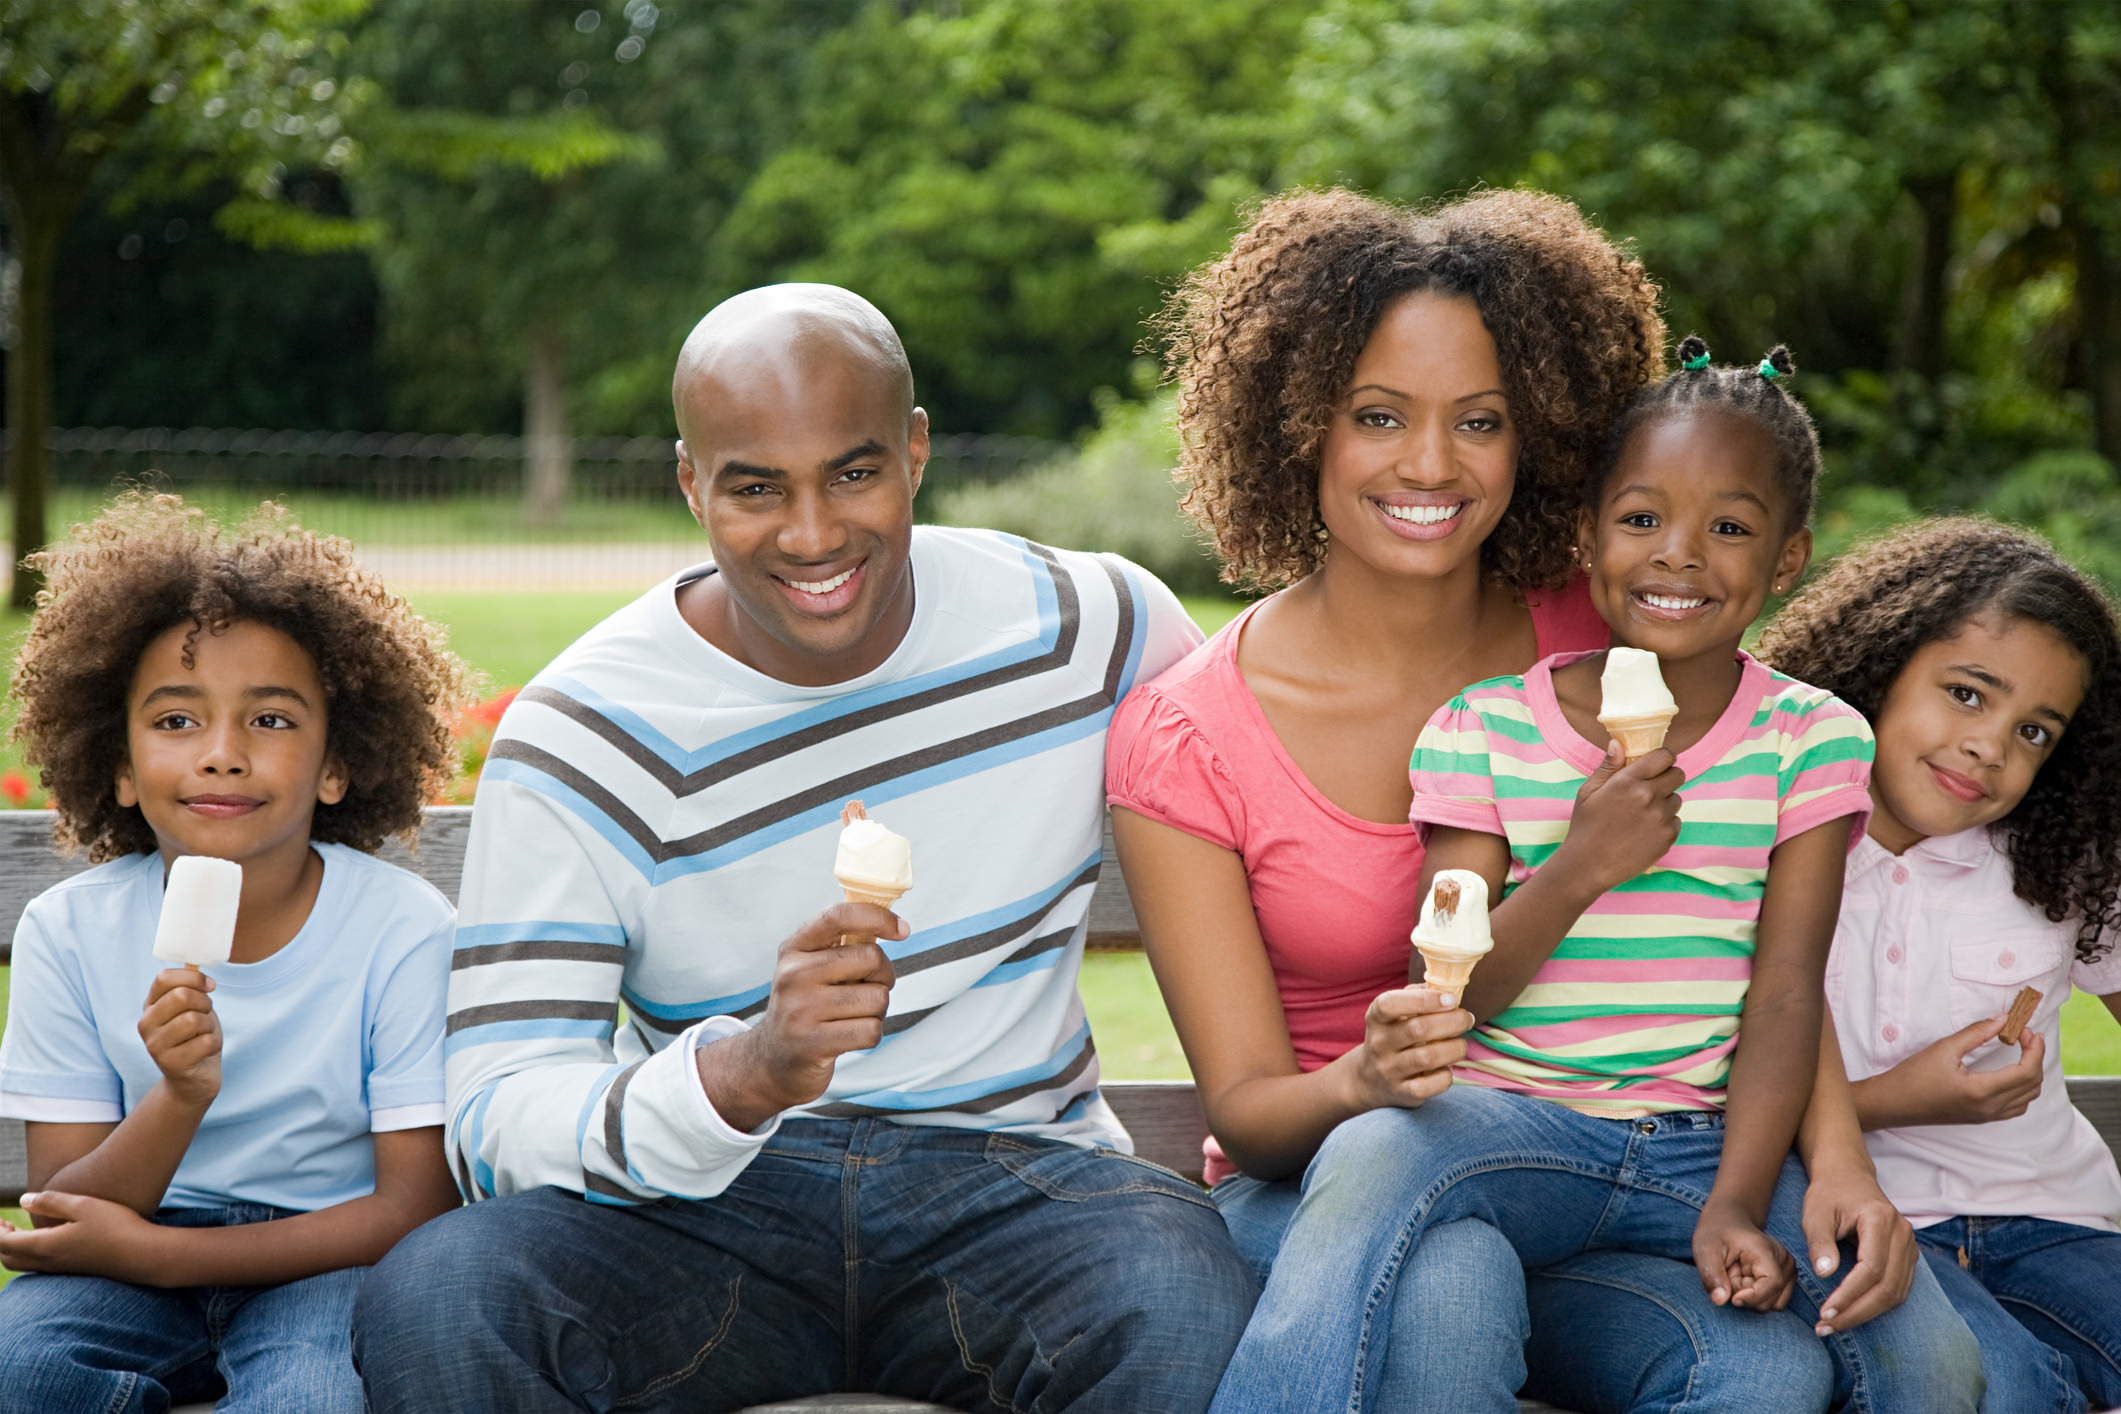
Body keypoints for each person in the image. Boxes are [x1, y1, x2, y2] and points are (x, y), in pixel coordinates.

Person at [351, 283, 1256, 1414]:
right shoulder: (586, 731)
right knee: (443, 1299)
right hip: (707, 1204)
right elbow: (495, 1114)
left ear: (915, 450)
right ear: (690, 482)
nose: (815, 533)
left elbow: (1275, 782)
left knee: (1180, 1298)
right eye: (755, 488)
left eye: (855, 471)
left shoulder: (1092, 629)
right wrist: (743, 1073)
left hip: (1023, 1190)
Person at [1110, 191, 1893, 1414]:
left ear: (1541, 441)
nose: (1430, 464)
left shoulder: (1610, 638)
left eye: (1480, 421)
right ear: (1297, 426)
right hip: (1333, 1180)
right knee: (1455, 1279)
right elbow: (1254, 1119)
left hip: (1598, 1181)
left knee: (1764, 1369)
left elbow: (1756, 914)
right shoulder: (1188, 737)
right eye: (1379, 416)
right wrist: (1365, 1080)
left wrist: (1833, 1150)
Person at [0, 495, 470, 1414]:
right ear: (122, 768)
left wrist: (170, 1255)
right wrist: (178, 1096)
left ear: (337, 764)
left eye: (271, 721)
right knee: (27, 1371)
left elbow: (413, 1206)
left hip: (327, 1259)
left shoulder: (401, 928)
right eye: (176, 721)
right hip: (123, 1270)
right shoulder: (70, 930)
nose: (221, 755)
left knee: (312, 1401)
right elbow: (64, 1205)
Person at [1756, 518, 2121, 1414]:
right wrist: (1894, 1102)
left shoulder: (2057, 860)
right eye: (1965, 694)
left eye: (2033, 731)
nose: (1990, 745)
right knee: (2007, 1392)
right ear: (1879, 668)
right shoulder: (1757, 845)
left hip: (2054, 1221)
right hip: (1871, 1229)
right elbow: (1691, 1095)